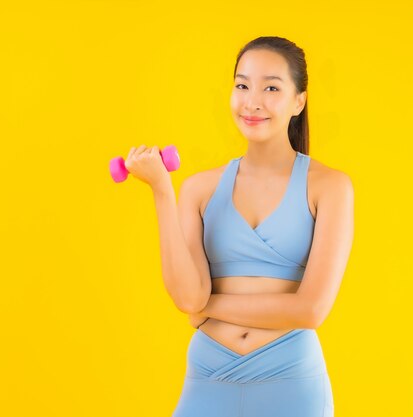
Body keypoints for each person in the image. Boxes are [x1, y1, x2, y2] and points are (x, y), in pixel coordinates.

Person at [125, 36, 354, 417]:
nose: (252, 101)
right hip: (209, 378)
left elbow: (311, 309)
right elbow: (187, 297)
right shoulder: (198, 188)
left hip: (291, 381)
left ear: (299, 100)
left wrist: (210, 307)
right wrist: (162, 190)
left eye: (271, 88)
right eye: (242, 85)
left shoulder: (329, 186)